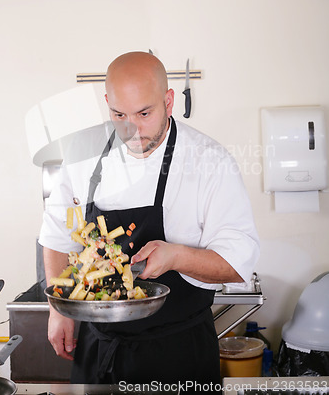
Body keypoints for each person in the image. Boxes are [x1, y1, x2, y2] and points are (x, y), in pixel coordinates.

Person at [39, 51, 260, 390]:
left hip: (177, 351)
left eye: (144, 113)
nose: (133, 129)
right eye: (119, 114)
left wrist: (177, 256)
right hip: (99, 348)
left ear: (168, 101)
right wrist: (60, 309)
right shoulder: (83, 150)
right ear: (107, 103)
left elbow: (237, 264)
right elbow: (57, 237)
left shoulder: (209, 162)